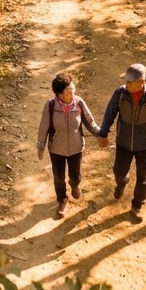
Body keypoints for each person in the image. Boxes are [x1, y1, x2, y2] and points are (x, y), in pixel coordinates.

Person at [97, 63, 146, 221]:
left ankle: (137, 206)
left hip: (144, 145)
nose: (126, 84)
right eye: (126, 81)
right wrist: (103, 133)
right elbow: (110, 113)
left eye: (130, 82)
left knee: (143, 178)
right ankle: (121, 184)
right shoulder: (120, 93)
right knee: (119, 173)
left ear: (141, 82)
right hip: (123, 143)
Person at [36, 72, 99, 217]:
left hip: (76, 147)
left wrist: (100, 134)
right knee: (58, 177)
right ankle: (62, 200)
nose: (71, 92)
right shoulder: (51, 105)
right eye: (67, 91)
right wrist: (41, 146)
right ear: (59, 94)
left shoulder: (79, 102)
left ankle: (75, 185)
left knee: (75, 175)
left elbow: (90, 121)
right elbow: (43, 127)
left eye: (72, 88)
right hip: (56, 149)